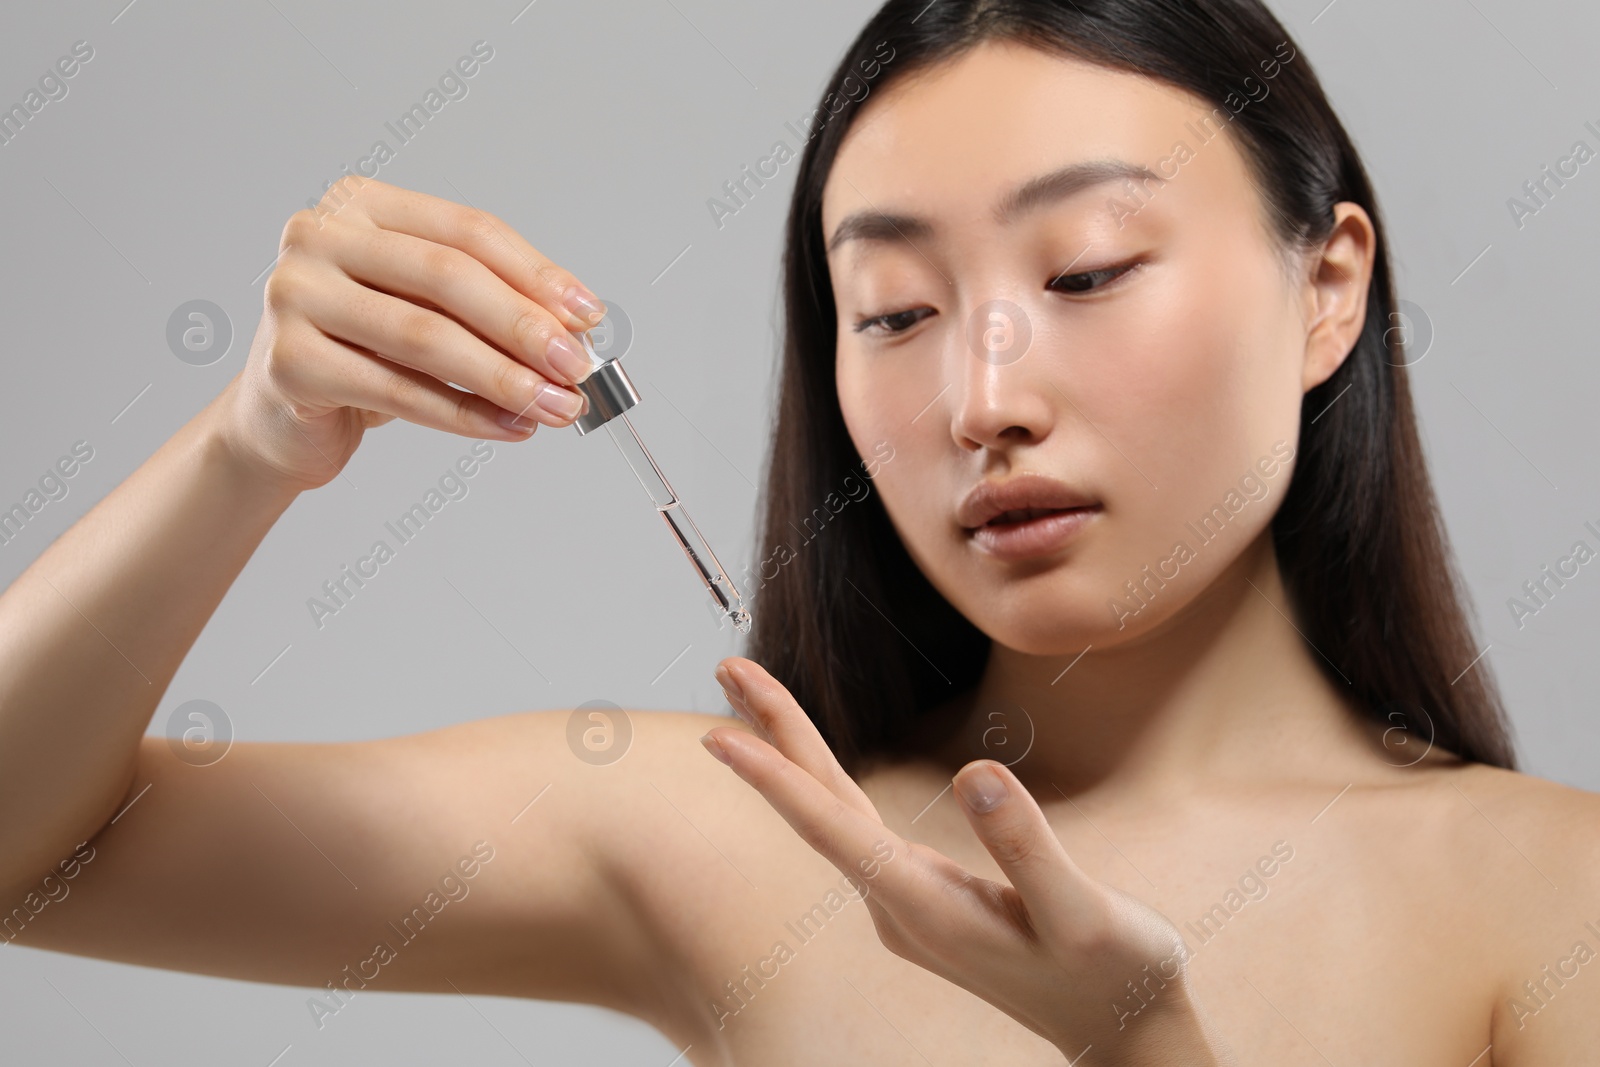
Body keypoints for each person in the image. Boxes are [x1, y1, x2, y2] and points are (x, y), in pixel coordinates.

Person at [3, 0, 1596, 1062]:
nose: (983, 397)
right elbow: (28, 857)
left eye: (1088, 272)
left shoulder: (1550, 900)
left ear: (1328, 289)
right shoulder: (739, 841)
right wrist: (256, 446)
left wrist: (1140, 1050)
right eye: (895, 310)